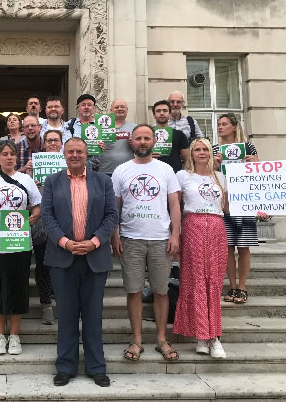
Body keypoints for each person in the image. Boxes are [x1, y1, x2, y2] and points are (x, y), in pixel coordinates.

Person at [42, 137, 118, 388]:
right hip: (62, 257)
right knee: (66, 314)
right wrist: (65, 242)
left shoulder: (103, 181)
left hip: (94, 257)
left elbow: (111, 216)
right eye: (70, 152)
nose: (75, 155)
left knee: (93, 315)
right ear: (64, 155)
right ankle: (65, 366)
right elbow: (47, 216)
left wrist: (95, 242)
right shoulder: (52, 181)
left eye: (79, 152)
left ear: (87, 155)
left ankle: (97, 367)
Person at [111, 124, 181, 363]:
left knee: (162, 292)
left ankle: (162, 339)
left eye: (146, 138)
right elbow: (115, 208)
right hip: (131, 239)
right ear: (131, 142)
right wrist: (115, 235)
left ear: (153, 141)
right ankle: (137, 339)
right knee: (134, 292)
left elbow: (174, 205)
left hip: (161, 239)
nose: (142, 142)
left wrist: (175, 235)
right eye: (138, 138)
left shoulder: (166, 169)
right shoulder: (121, 171)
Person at [0, 142, 41, 356]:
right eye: (4, 154)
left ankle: (14, 335)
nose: (8, 157)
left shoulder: (26, 180)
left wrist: (34, 216)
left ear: (17, 157)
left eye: (12, 154)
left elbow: (36, 204)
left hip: (18, 241)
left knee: (17, 288)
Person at [173, 138, 228, 358]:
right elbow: (174, 206)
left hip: (216, 227)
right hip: (193, 225)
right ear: (191, 153)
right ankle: (201, 335)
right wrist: (174, 233)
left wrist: (260, 210)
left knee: (213, 281)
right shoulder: (182, 176)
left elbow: (228, 206)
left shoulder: (221, 177)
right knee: (195, 280)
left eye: (206, 149)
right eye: (197, 149)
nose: (202, 152)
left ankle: (214, 337)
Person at [213, 113, 260, 304]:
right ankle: (232, 285)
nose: (220, 127)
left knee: (243, 246)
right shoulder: (215, 149)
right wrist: (215, 164)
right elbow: (211, 176)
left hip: (244, 201)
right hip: (225, 204)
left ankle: (242, 286)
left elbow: (259, 173)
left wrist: (254, 163)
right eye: (218, 124)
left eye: (224, 124)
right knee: (228, 247)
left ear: (234, 127)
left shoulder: (248, 146)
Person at [24, 129, 64, 326]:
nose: (53, 144)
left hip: (65, 220)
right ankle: (46, 304)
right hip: (42, 223)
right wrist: (30, 176)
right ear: (44, 144)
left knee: (64, 263)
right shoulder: (35, 164)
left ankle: (65, 302)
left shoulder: (69, 163)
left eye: (56, 140)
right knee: (42, 263)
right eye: (49, 141)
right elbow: (27, 194)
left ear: (61, 143)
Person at [63, 93, 104, 171]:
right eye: (83, 105)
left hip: (95, 167)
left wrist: (102, 147)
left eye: (89, 105)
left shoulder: (101, 126)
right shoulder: (69, 124)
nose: (86, 107)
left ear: (94, 108)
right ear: (78, 108)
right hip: (73, 164)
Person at [99, 98, 137, 176]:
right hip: (105, 171)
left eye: (122, 107)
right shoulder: (100, 128)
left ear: (127, 109)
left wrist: (135, 145)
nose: (120, 109)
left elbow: (141, 149)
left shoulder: (135, 128)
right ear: (111, 110)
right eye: (116, 107)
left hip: (128, 172)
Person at [152, 100, 189, 173]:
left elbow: (187, 159)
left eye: (165, 111)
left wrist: (185, 175)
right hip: (153, 174)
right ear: (154, 115)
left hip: (174, 174)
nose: (162, 113)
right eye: (158, 111)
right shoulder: (147, 134)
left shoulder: (179, 134)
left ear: (169, 114)